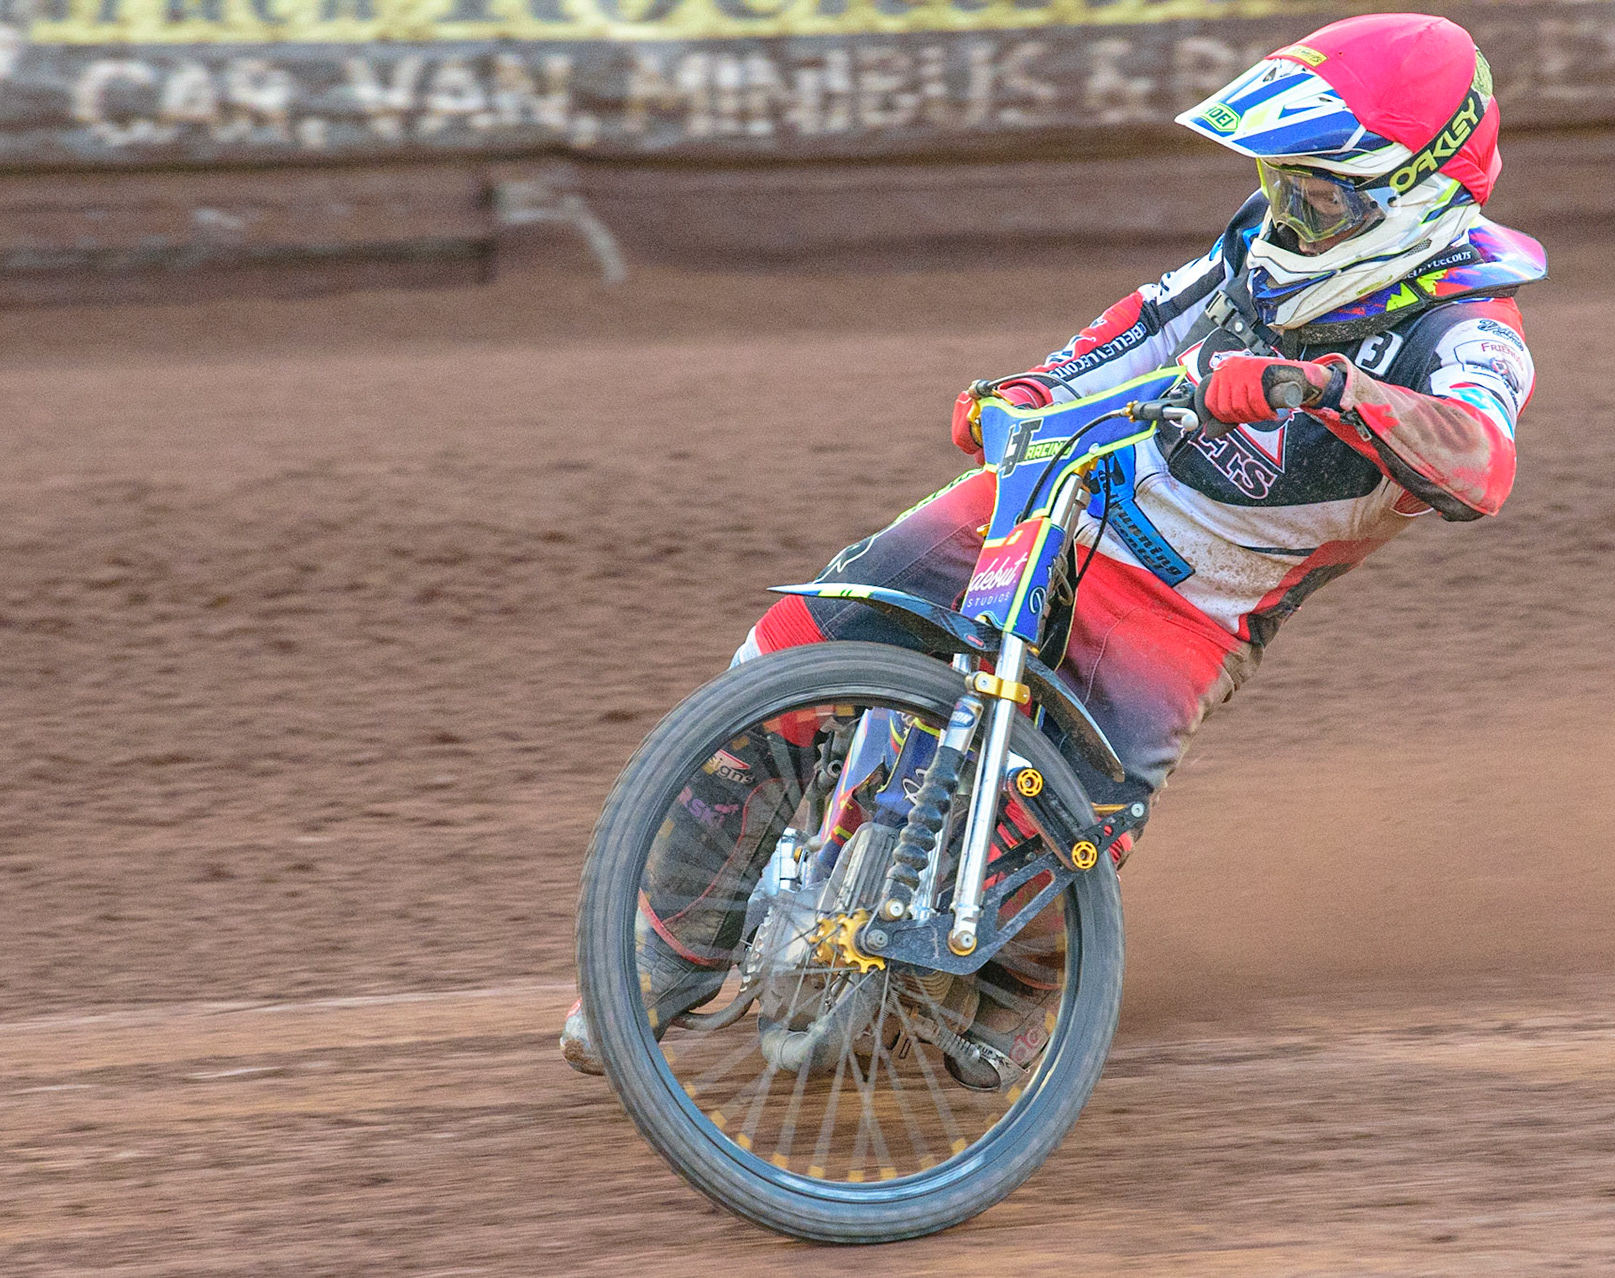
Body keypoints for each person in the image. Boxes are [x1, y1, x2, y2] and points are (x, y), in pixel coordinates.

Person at [562, 11, 1544, 1073]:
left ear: (1422, 191)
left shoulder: (1468, 326)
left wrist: (1334, 387)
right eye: (1282, 181)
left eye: (1322, 190)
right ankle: (667, 958)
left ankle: (1011, 998)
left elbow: (1481, 462)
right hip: (1061, 500)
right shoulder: (1256, 255)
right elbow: (1141, 322)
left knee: (1055, 852)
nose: (1291, 212)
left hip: (1188, 610)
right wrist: (1031, 388)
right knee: (791, 654)